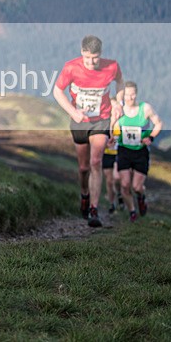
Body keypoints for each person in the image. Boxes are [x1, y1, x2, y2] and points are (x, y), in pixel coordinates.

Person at [53, 35, 124, 227]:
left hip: (101, 120)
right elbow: (57, 91)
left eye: (95, 58)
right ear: (81, 53)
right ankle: (84, 194)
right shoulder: (71, 68)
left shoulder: (112, 66)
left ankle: (94, 209)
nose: (91, 63)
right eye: (87, 58)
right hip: (80, 122)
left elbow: (120, 82)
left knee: (96, 161)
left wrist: (118, 101)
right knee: (83, 168)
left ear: (100, 54)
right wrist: (73, 112)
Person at [112, 81, 162, 222]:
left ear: (136, 94)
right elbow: (112, 125)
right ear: (123, 95)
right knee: (125, 185)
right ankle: (132, 212)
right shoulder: (119, 109)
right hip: (124, 151)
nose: (130, 98)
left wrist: (151, 137)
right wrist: (112, 136)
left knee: (137, 186)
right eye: (127, 95)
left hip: (140, 152)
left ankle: (141, 196)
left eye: (132, 94)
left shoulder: (145, 108)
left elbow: (158, 123)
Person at [102, 135, 119, 214]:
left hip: (119, 153)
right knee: (109, 181)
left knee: (116, 178)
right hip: (107, 153)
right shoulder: (105, 122)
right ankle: (112, 203)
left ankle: (120, 194)